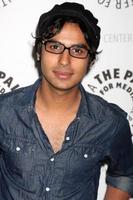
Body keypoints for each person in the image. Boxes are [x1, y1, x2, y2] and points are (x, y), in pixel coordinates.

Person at [0, 2, 133, 200]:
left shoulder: (110, 122)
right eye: (55, 46)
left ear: (91, 60)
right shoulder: (4, 111)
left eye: (77, 51)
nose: (64, 60)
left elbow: (125, 173)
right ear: (39, 51)